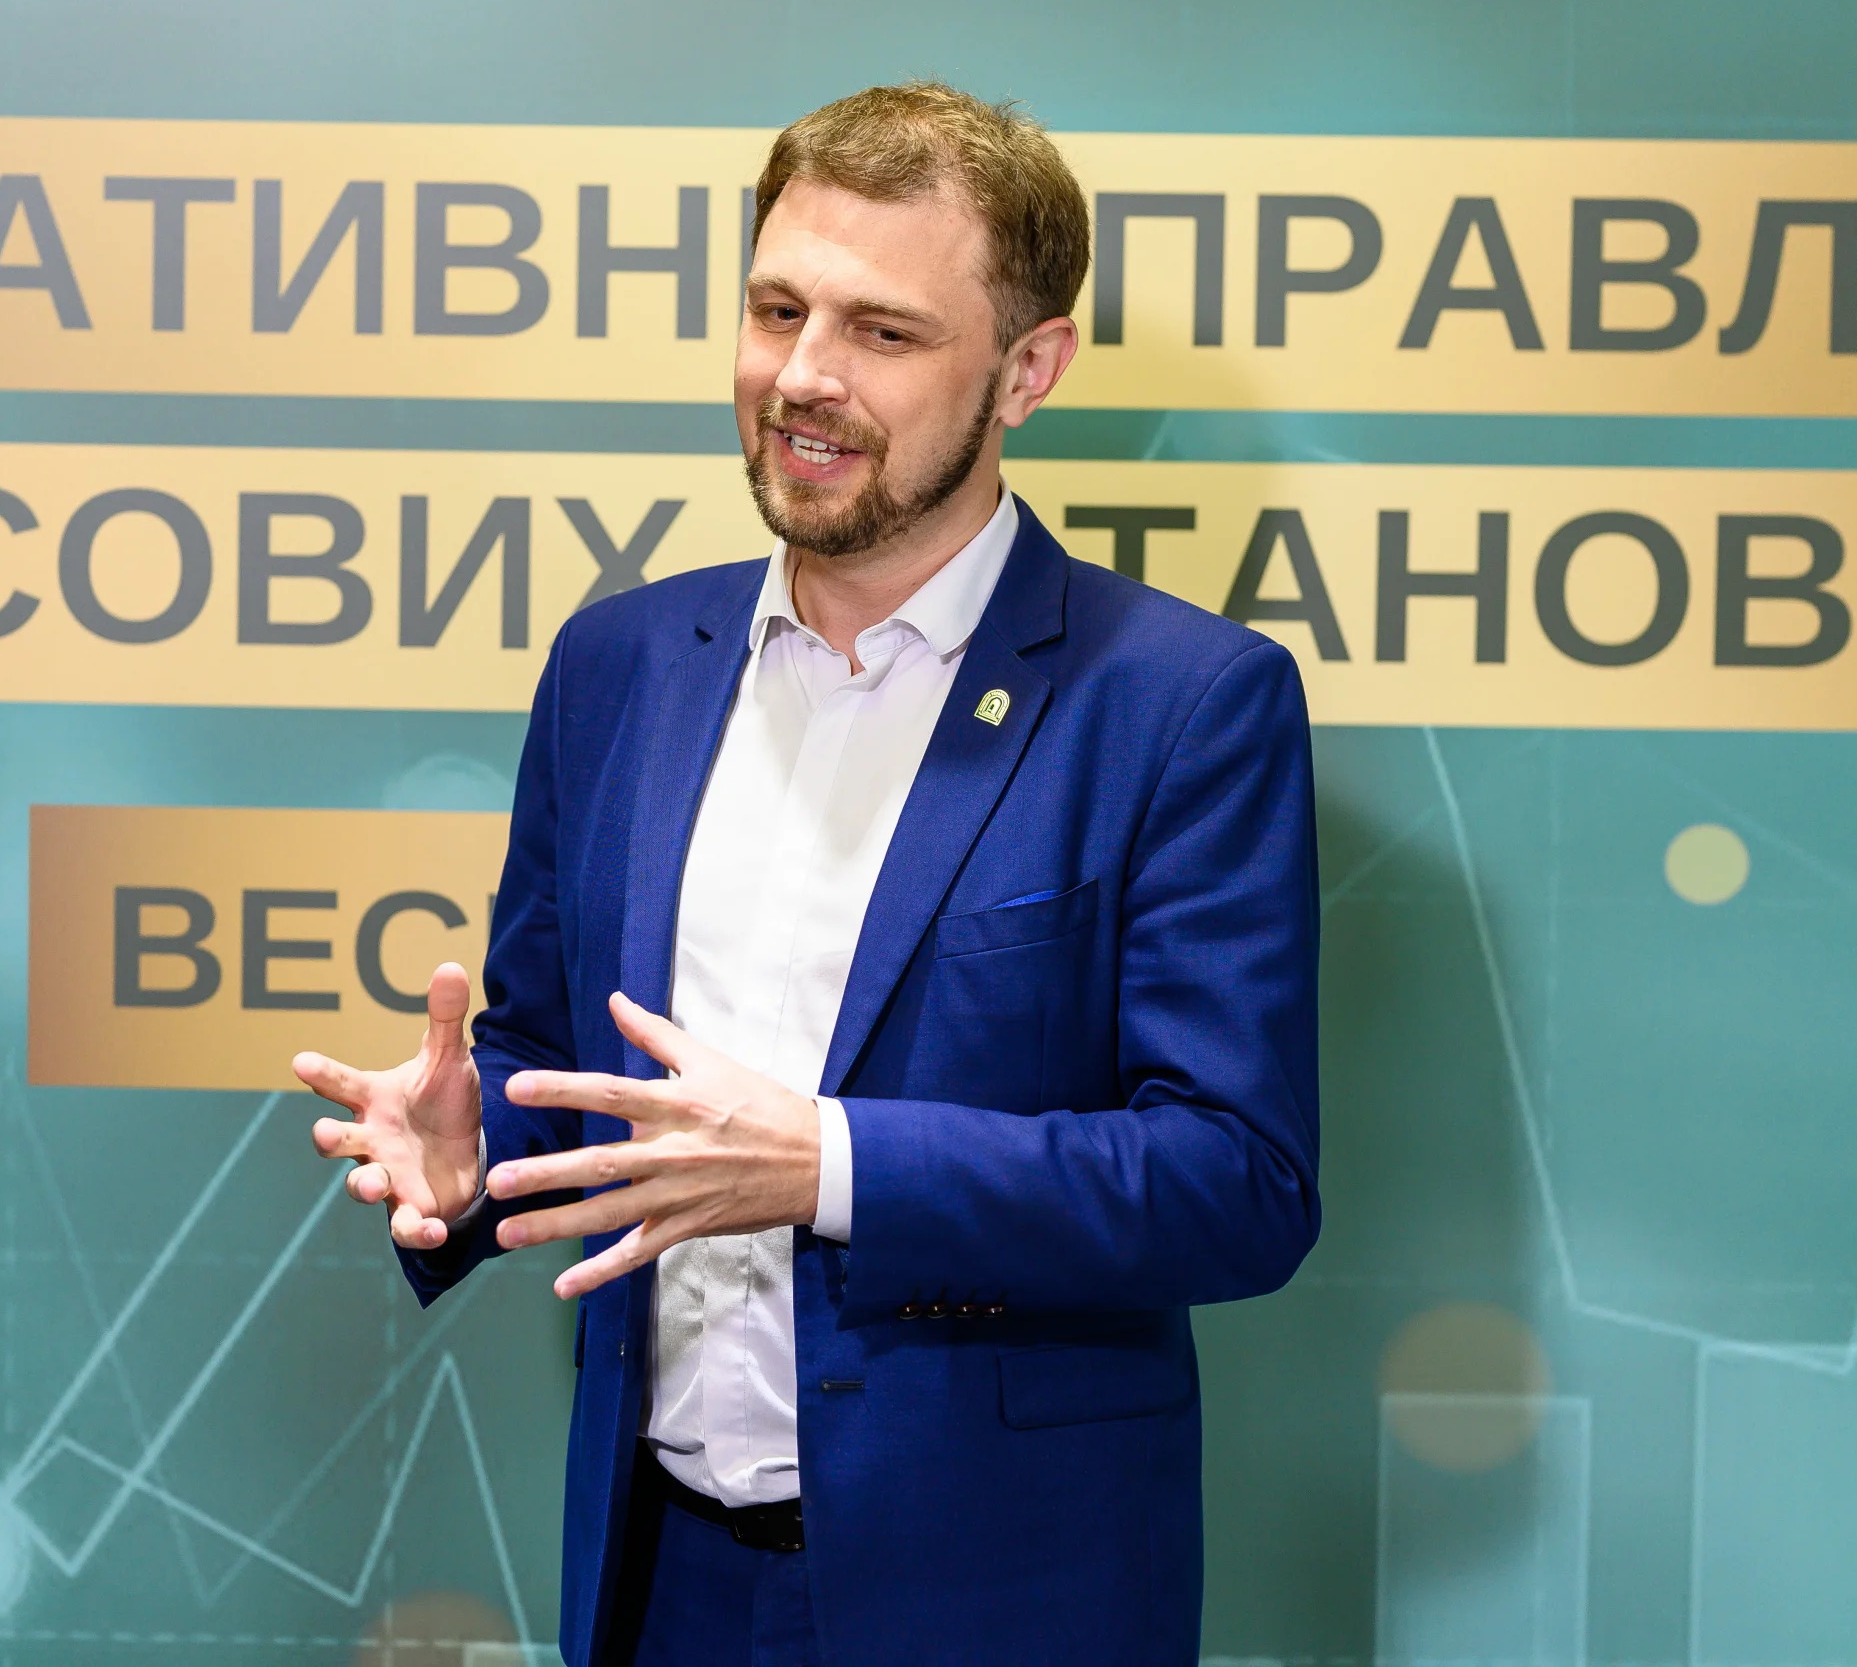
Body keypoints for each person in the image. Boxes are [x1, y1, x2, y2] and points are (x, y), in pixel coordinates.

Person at [296, 81, 1319, 1667]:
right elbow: (556, 1058)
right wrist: (475, 1150)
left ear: (1029, 370)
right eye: (778, 311)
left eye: (884, 332)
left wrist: (831, 1167)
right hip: (660, 1584)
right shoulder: (621, 665)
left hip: (1001, 1606)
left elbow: (1233, 1184)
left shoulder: (1182, 705)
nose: (804, 378)